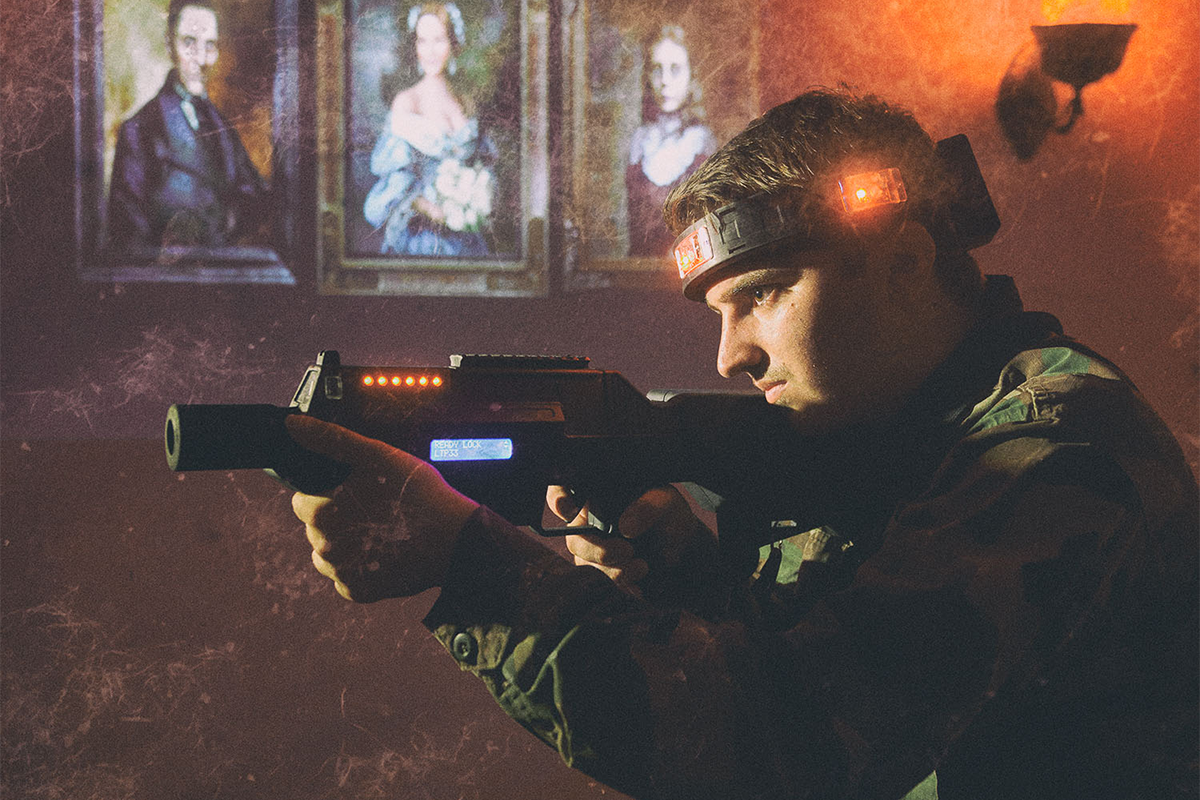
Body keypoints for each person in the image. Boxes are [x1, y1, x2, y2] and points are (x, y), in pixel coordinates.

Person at [289, 88, 1198, 799]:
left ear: (905, 262)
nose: (729, 357)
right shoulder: (894, 438)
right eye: (719, 314)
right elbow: (840, 655)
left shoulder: (1056, 448)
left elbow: (791, 742)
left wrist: (472, 566)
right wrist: (692, 576)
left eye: (762, 295)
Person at [107, 0, 269, 251]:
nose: (202, 59)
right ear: (169, 45)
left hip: (222, 265)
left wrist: (227, 223)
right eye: (189, 43)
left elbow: (254, 196)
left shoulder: (223, 127)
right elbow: (128, 232)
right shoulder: (139, 130)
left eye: (210, 45)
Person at [363, 2, 496, 257]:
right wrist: (433, 210)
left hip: (465, 237)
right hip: (422, 239)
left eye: (439, 40)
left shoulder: (465, 101)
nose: (430, 51)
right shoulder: (407, 101)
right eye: (422, 41)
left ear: (453, 43)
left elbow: (482, 167)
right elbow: (395, 184)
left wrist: (475, 201)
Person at [625, 25, 717, 257]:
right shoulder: (640, 141)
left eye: (675, 70)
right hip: (638, 269)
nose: (665, 81)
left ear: (692, 75)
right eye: (657, 70)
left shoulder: (703, 144)